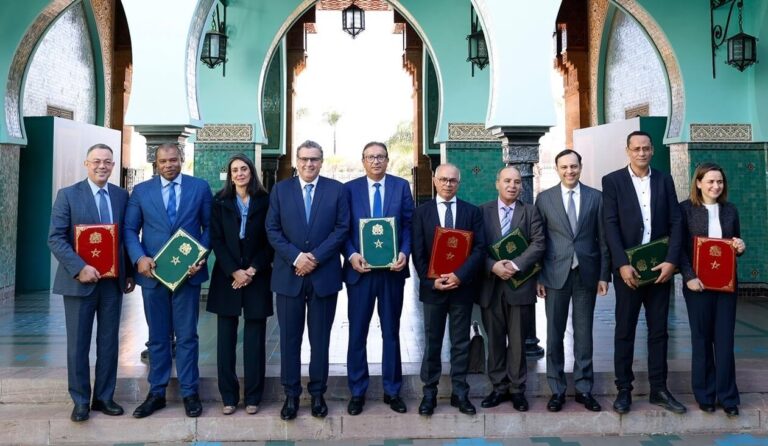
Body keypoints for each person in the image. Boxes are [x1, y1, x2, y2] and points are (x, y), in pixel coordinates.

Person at [124, 143, 212, 418]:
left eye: (173, 160)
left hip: (188, 275)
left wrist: (200, 257)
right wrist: (139, 258)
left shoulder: (199, 188)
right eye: (163, 161)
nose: (168, 165)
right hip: (153, 275)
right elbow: (129, 229)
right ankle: (157, 393)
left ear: (182, 159)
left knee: (187, 336)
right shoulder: (141, 191)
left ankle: (190, 392)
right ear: (156, 163)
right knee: (158, 337)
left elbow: (210, 227)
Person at [48, 143, 134, 422]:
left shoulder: (121, 196)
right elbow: (55, 238)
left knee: (109, 343)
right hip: (78, 283)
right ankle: (81, 400)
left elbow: (126, 237)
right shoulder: (68, 195)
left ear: (113, 165)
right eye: (96, 161)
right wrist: (79, 268)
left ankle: (104, 397)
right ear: (86, 164)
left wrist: (129, 272)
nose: (102, 166)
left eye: (107, 162)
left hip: (111, 284)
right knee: (78, 344)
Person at [602, 130, 685, 414]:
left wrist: (672, 261)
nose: (641, 153)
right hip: (629, 272)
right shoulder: (612, 181)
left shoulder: (664, 179)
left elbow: (676, 221)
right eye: (636, 148)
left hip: (660, 270)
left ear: (652, 150)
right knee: (625, 330)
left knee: (659, 331)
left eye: (646, 148)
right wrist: (621, 263)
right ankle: (624, 389)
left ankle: (659, 389)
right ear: (628, 151)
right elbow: (610, 224)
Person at [266, 140, 349, 420]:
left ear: (321, 161)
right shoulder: (281, 190)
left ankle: (317, 394)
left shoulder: (336, 190)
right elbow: (272, 229)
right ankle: (291, 395)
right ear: (296, 162)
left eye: (314, 159)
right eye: (303, 159)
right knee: (289, 340)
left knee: (320, 340)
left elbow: (341, 229)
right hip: (289, 277)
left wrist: (314, 257)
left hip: (323, 277)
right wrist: (296, 258)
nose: (308, 164)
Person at [535, 150, 609, 412]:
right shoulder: (544, 199)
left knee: (584, 334)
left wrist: (604, 275)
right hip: (554, 274)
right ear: (557, 169)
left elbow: (603, 240)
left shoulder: (596, 197)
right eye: (564, 167)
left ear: (580, 167)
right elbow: (539, 240)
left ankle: (584, 388)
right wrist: (538, 276)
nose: (569, 171)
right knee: (554, 334)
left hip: (586, 274)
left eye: (574, 166)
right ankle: (556, 390)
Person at [343, 142, 414, 415]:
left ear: (387, 160)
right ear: (363, 160)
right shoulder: (349, 189)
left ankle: (392, 390)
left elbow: (408, 225)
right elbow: (343, 228)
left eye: (380, 156)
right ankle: (357, 391)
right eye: (371, 157)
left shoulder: (400, 186)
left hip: (391, 274)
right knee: (357, 333)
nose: (376, 161)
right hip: (360, 273)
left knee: (391, 332)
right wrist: (351, 255)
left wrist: (404, 252)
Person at [412, 163, 485, 416]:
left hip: (461, 289)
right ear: (435, 180)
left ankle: (460, 392)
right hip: (433, 290)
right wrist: (430, 281)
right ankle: (429, 393)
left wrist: (459, 276)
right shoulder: (421, 213)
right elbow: (418, 253)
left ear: (459, 183)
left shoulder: (471, 212)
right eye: (443, 179)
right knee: (432, 342)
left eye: (452, 180)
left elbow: (479, 249)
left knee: (460, 342)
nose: (447, 184)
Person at [207, 154, 273, 416]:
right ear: (230, 175)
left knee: (255, 340)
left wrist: (252, 269)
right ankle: (229, 397)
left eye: (244, 169)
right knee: (225, 341)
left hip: (257, 275)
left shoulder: (266, 201)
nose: (239, 173)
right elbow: (216, 239)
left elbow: (270, 239)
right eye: (234, 170)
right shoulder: (219, 201)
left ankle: (253, 397)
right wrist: (234, 271)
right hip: (228, 277)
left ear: (251, 172)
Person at [679, 163, 745, 417]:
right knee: (702, 339)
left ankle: (728, 397)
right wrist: (689, 277)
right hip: (697, 286)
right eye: (710, 181)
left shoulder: (730, 210)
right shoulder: (685, 210)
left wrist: (740, 246)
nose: (716, 186)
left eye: (719, 182)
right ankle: (705, 395)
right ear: (698, 183)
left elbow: (734, 243)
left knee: (725, 340)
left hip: (726, 285)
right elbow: (679, 248)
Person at [477, 166, 545, 412]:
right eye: (507, 181)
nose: (512, 186)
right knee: (494, 341)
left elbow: (539, 243)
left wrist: (515, 265)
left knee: (517, 342)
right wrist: (493, 266)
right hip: (490, 287)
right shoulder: (481, 212)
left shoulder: (530, 211)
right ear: (497, 183)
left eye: (517, 182)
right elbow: (475, 247)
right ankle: (498, 387)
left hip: (520, 286)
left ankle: (517, 390)